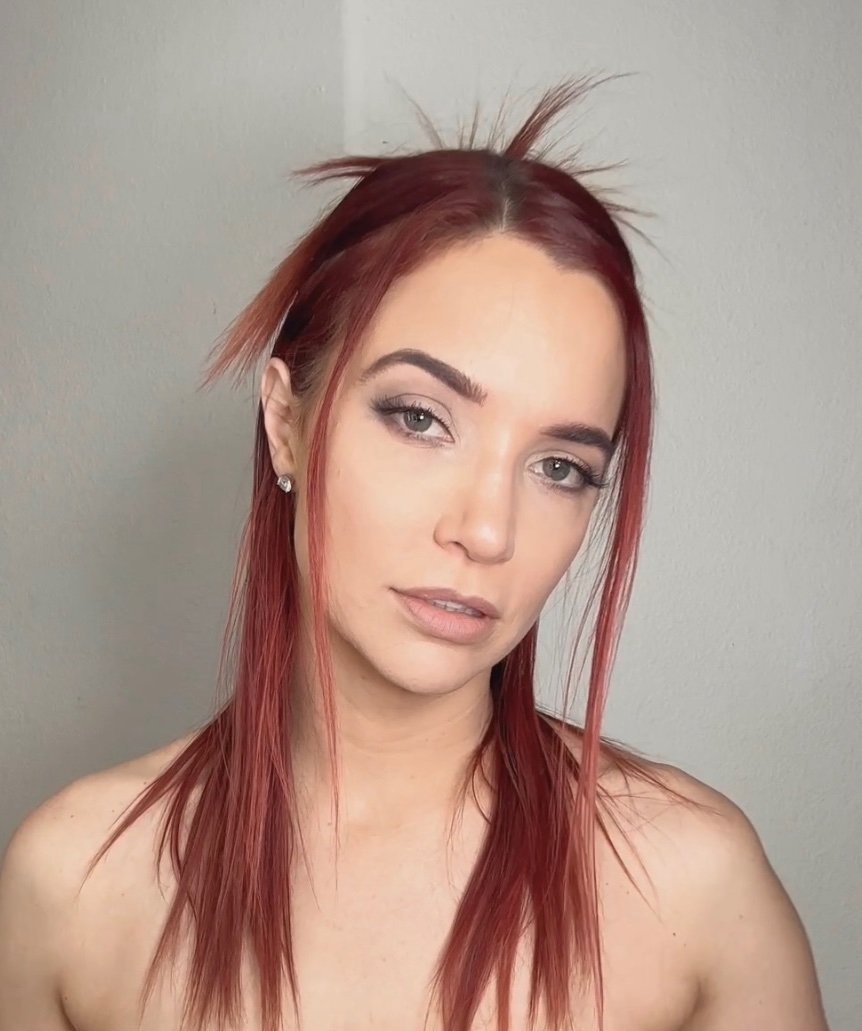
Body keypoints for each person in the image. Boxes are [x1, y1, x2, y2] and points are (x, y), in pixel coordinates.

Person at [0, 76, 828, 1031]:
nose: (487, 530)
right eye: (420, 418)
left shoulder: (692, 891)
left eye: (559, 466)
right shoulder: (74, 889)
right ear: (286, 422)